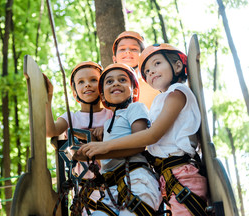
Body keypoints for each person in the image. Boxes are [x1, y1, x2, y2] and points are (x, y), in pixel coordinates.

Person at [79, 43, 208, 216]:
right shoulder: (160, 102)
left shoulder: (177, 93)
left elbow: (151, 135)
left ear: (177, 66)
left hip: (181, 174)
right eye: (146, 71)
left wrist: (103, 148)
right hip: (168, 176)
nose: (151, 72)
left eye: (157, 64)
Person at [82, 63, 162, 216]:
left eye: (122, 80)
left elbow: (139, 144)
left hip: (136, 180)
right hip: (111, 189)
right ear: (103, 96)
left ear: (134, 90)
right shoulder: (107, 124)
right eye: (109, 82)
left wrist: (99, 152)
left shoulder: (135, 108)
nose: (116, 83)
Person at [45, 61, 113, 215]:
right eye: (81, 82)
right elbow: (50, 130)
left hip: (112, 183)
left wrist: (107, 129)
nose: (87, 85)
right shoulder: (71, 118)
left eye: (93, 80)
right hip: (84, 187)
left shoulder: (111, 115)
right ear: (75, 92)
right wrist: (48, 99)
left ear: (102, 86)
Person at [112, 31, 159, 109]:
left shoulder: (154, 88)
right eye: (122, 49)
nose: (127, 51)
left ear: (142, 57)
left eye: (134, 49)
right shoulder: (104, 90)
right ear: (114, 59)